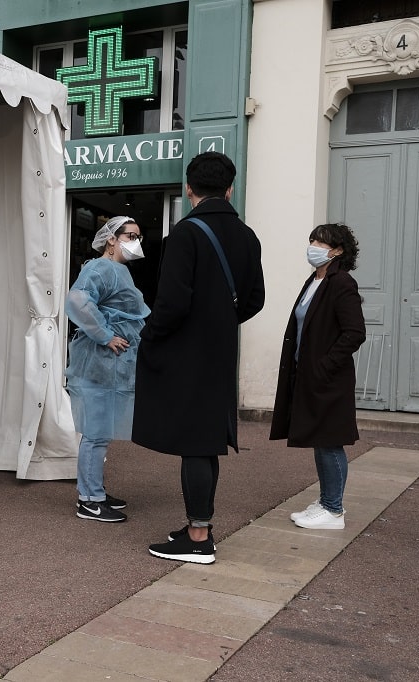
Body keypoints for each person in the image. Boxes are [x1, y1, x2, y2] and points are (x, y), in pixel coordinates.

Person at [133, 152, 265, 563]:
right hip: (220, 350)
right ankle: (199, 524)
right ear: (230, 188)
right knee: (207, 440)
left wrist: (149, 336)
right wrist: (222, 319)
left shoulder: (185, 234)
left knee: (194, 441)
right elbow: (255, 300)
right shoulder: (247, 236)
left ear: (189, 189)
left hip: (186, 352)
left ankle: (198, 536)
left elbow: (171, 304)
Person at [270, 223, 366, 530]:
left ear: (337, 250)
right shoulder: (315, 280)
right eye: (312, 239)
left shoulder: (342, 283)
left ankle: (333, 510)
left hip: (328, 378)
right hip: (308, 375)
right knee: (320, 440)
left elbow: (354, 333)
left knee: (329, 441)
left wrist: (324, 366)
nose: (313, 245)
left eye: (320, 242)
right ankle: (327, 501)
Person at [66, 216, 150, 522]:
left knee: (101, 431)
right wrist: (105, 335)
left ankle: (95, 490)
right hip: (99, 362)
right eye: (130, 235)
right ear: (111, 239)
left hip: (111, 365)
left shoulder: (118, 270)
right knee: (95, 432)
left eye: (138, 236)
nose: (135, 242)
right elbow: (77, 299)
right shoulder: (100, 267)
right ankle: (89, 499)